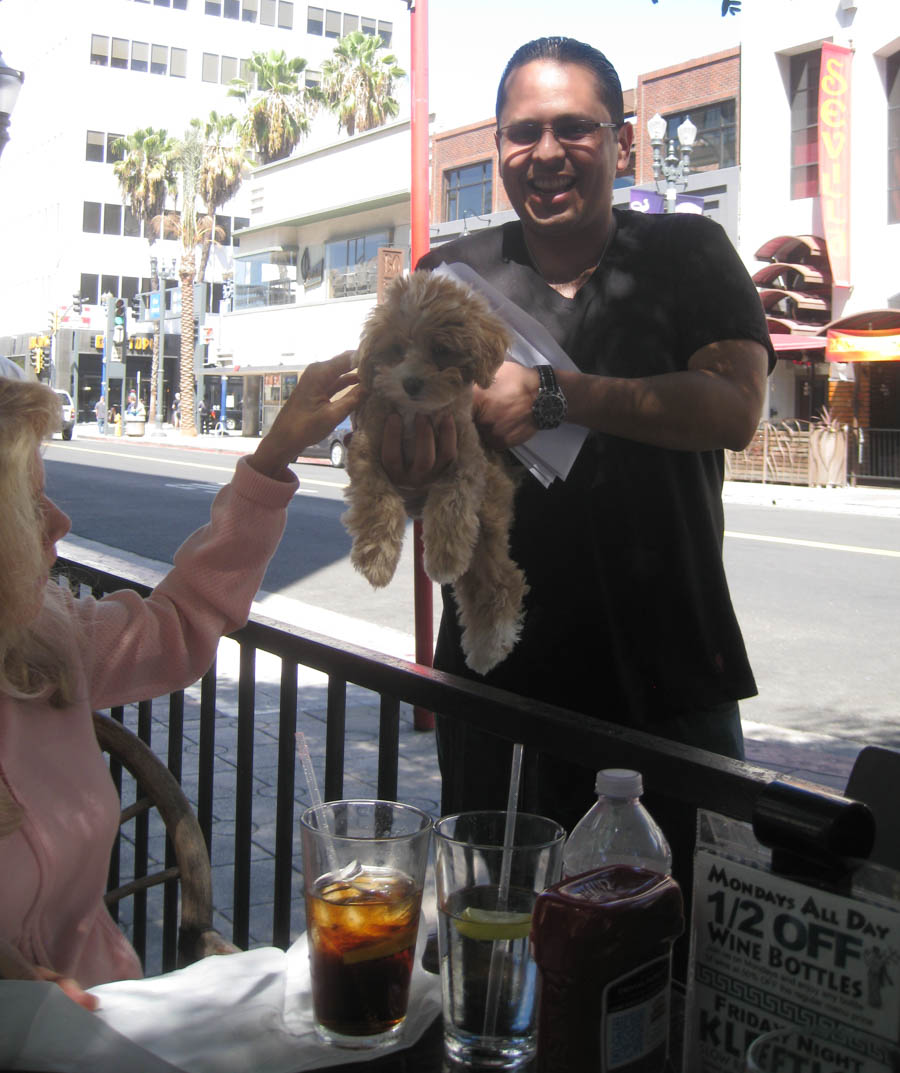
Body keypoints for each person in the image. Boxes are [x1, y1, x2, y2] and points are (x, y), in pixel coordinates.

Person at [388, 37, 775, 831]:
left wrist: (553, 397)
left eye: (576, 128)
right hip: (497, 679)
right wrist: (401, 451)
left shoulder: (686, 251)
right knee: (494, 929)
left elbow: (735, 407)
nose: (547, 153)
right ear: (498, 148)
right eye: (523, 132)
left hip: (668, 682)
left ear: (622, 143)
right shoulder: (448, 276)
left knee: (666, 939)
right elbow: (407, 465)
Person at [0, 353, 359, 1008]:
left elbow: (175, 626)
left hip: (116, 1019)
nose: (60, 522)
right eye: (27, 507)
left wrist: (274, 455)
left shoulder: (45, 637)